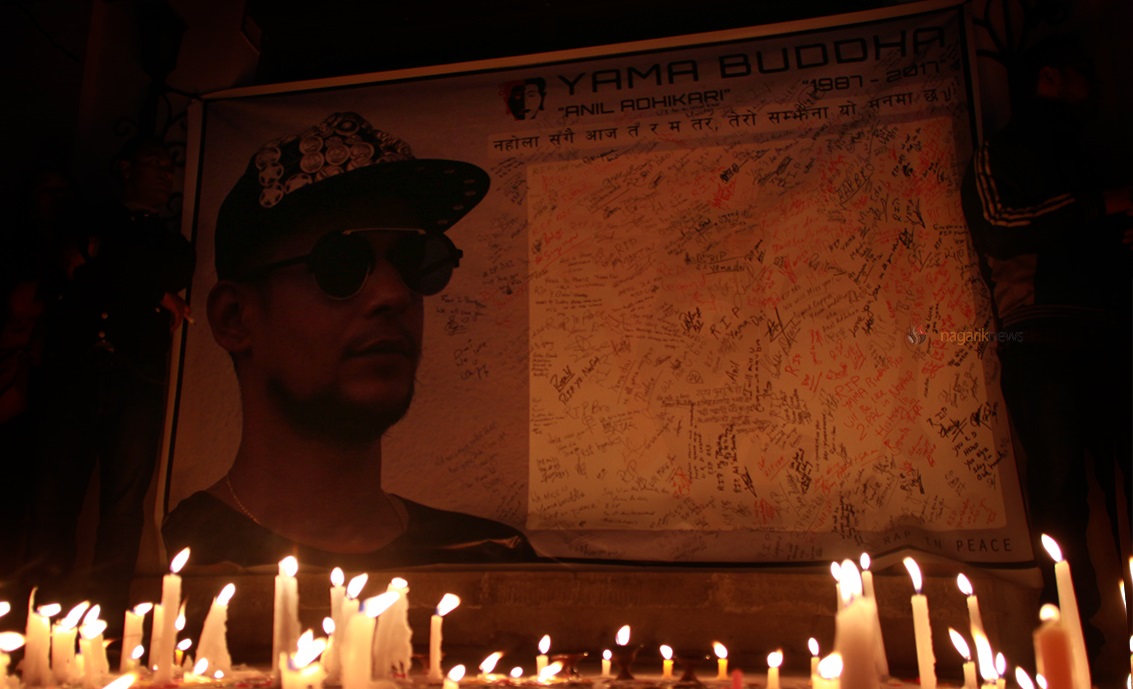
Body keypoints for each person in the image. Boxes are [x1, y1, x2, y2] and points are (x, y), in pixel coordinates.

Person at [162, 111, 536, 569]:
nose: (394, 293)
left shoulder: (492, 563)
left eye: (415, 260)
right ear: (234, 318)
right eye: (339, 264)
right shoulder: (169, 572)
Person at [960, 34, 1132, 681]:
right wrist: (1099, 206)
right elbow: (1000, 227)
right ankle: (1069, 647)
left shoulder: (1089, 153)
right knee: (1059, 496)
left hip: (1113, 335)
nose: (1097, 87)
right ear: (1050, 78)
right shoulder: (1001, 154)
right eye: (1084, 74)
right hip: (1040, 340)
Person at [22, 138, 195, 623]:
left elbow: (115, 267)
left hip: (136, 378)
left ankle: (108, 623)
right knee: (54, 501)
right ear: (125, 167)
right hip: (73, 373)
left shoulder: (171, 243)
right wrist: (152, 291)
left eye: (169, 166)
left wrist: (109, 263)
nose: (164, 173)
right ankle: (41, 619)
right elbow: (70, 266)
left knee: (122, 508)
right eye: (153, 163)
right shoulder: (85, 220)